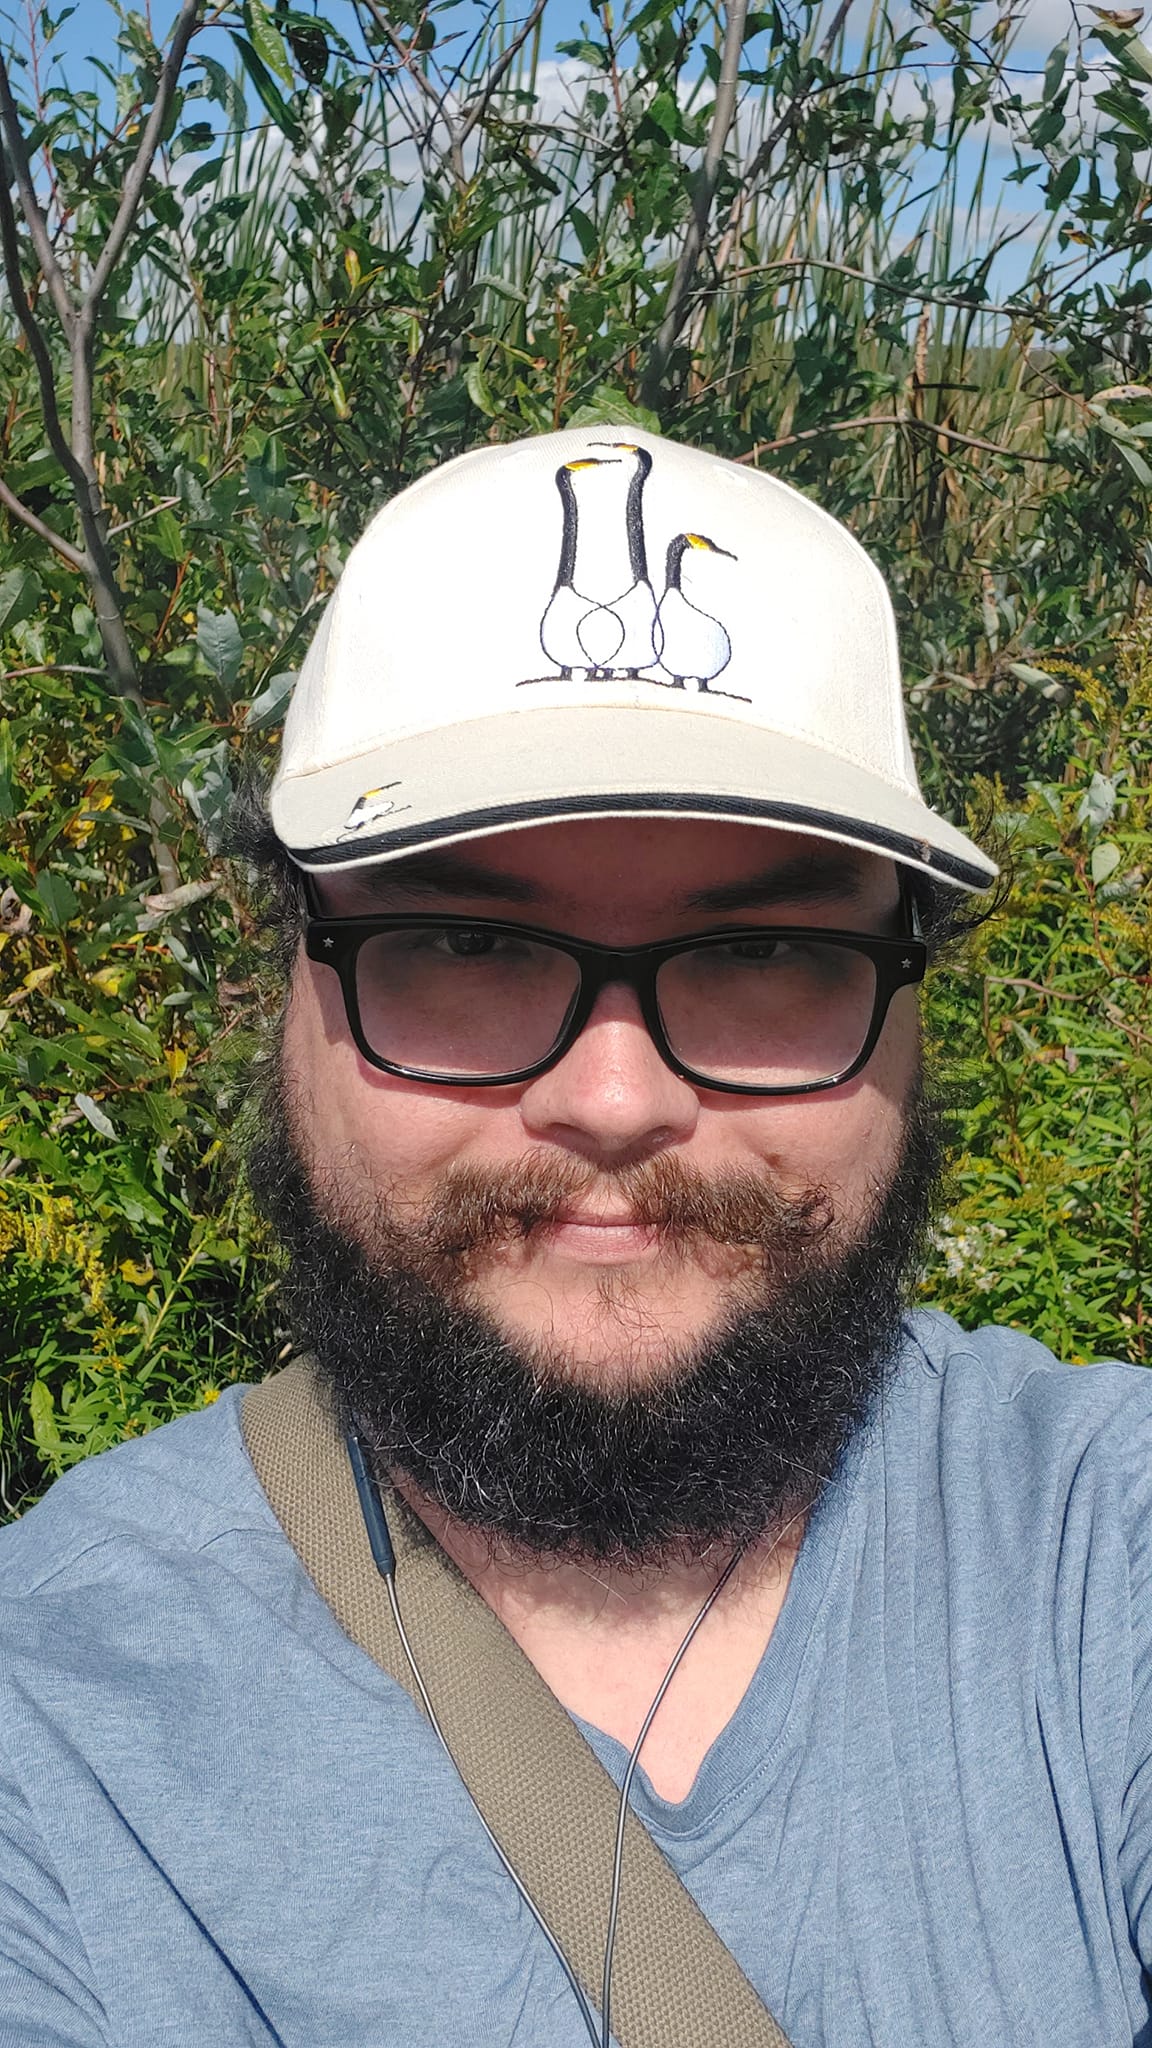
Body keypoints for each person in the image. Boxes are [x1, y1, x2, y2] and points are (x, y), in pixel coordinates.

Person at [1, 427, 1150, 2048]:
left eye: (761, 947)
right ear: (287, 994)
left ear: (908, 1013)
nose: (615, 1099)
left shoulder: (1099, 1557)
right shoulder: (53, 1735)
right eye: (463, 938)